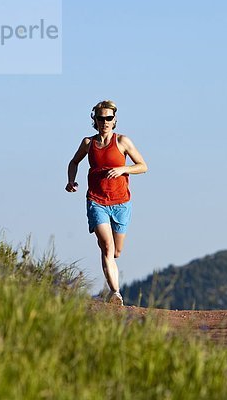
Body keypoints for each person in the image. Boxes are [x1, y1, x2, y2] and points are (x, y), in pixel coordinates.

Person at [65, 100, 148, 306]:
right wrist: (71, 181)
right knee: (107, 247)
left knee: (117, 252)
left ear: (114, 120)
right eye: (101, 118)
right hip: (96, 200)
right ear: (95, 119)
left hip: (121, 202)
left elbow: (143, 166)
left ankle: (114, 287)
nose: (105, 122)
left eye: (109, 118)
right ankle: (116, 293)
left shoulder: (122, 142)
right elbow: (74, 162)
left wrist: (123, 169)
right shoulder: (88, 143)